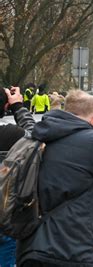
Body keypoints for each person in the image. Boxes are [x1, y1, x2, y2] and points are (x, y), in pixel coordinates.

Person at [16, 89, 93, 267]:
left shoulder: (38, 133)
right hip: (75, 250)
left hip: (33, 248)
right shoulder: (92, 141)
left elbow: (27, 123)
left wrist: (17, 107)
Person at [0, 86, 36, 267]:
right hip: (6, 218)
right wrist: (19, 107)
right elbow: (37, 137)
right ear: (5, 106)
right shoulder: (13, 135)